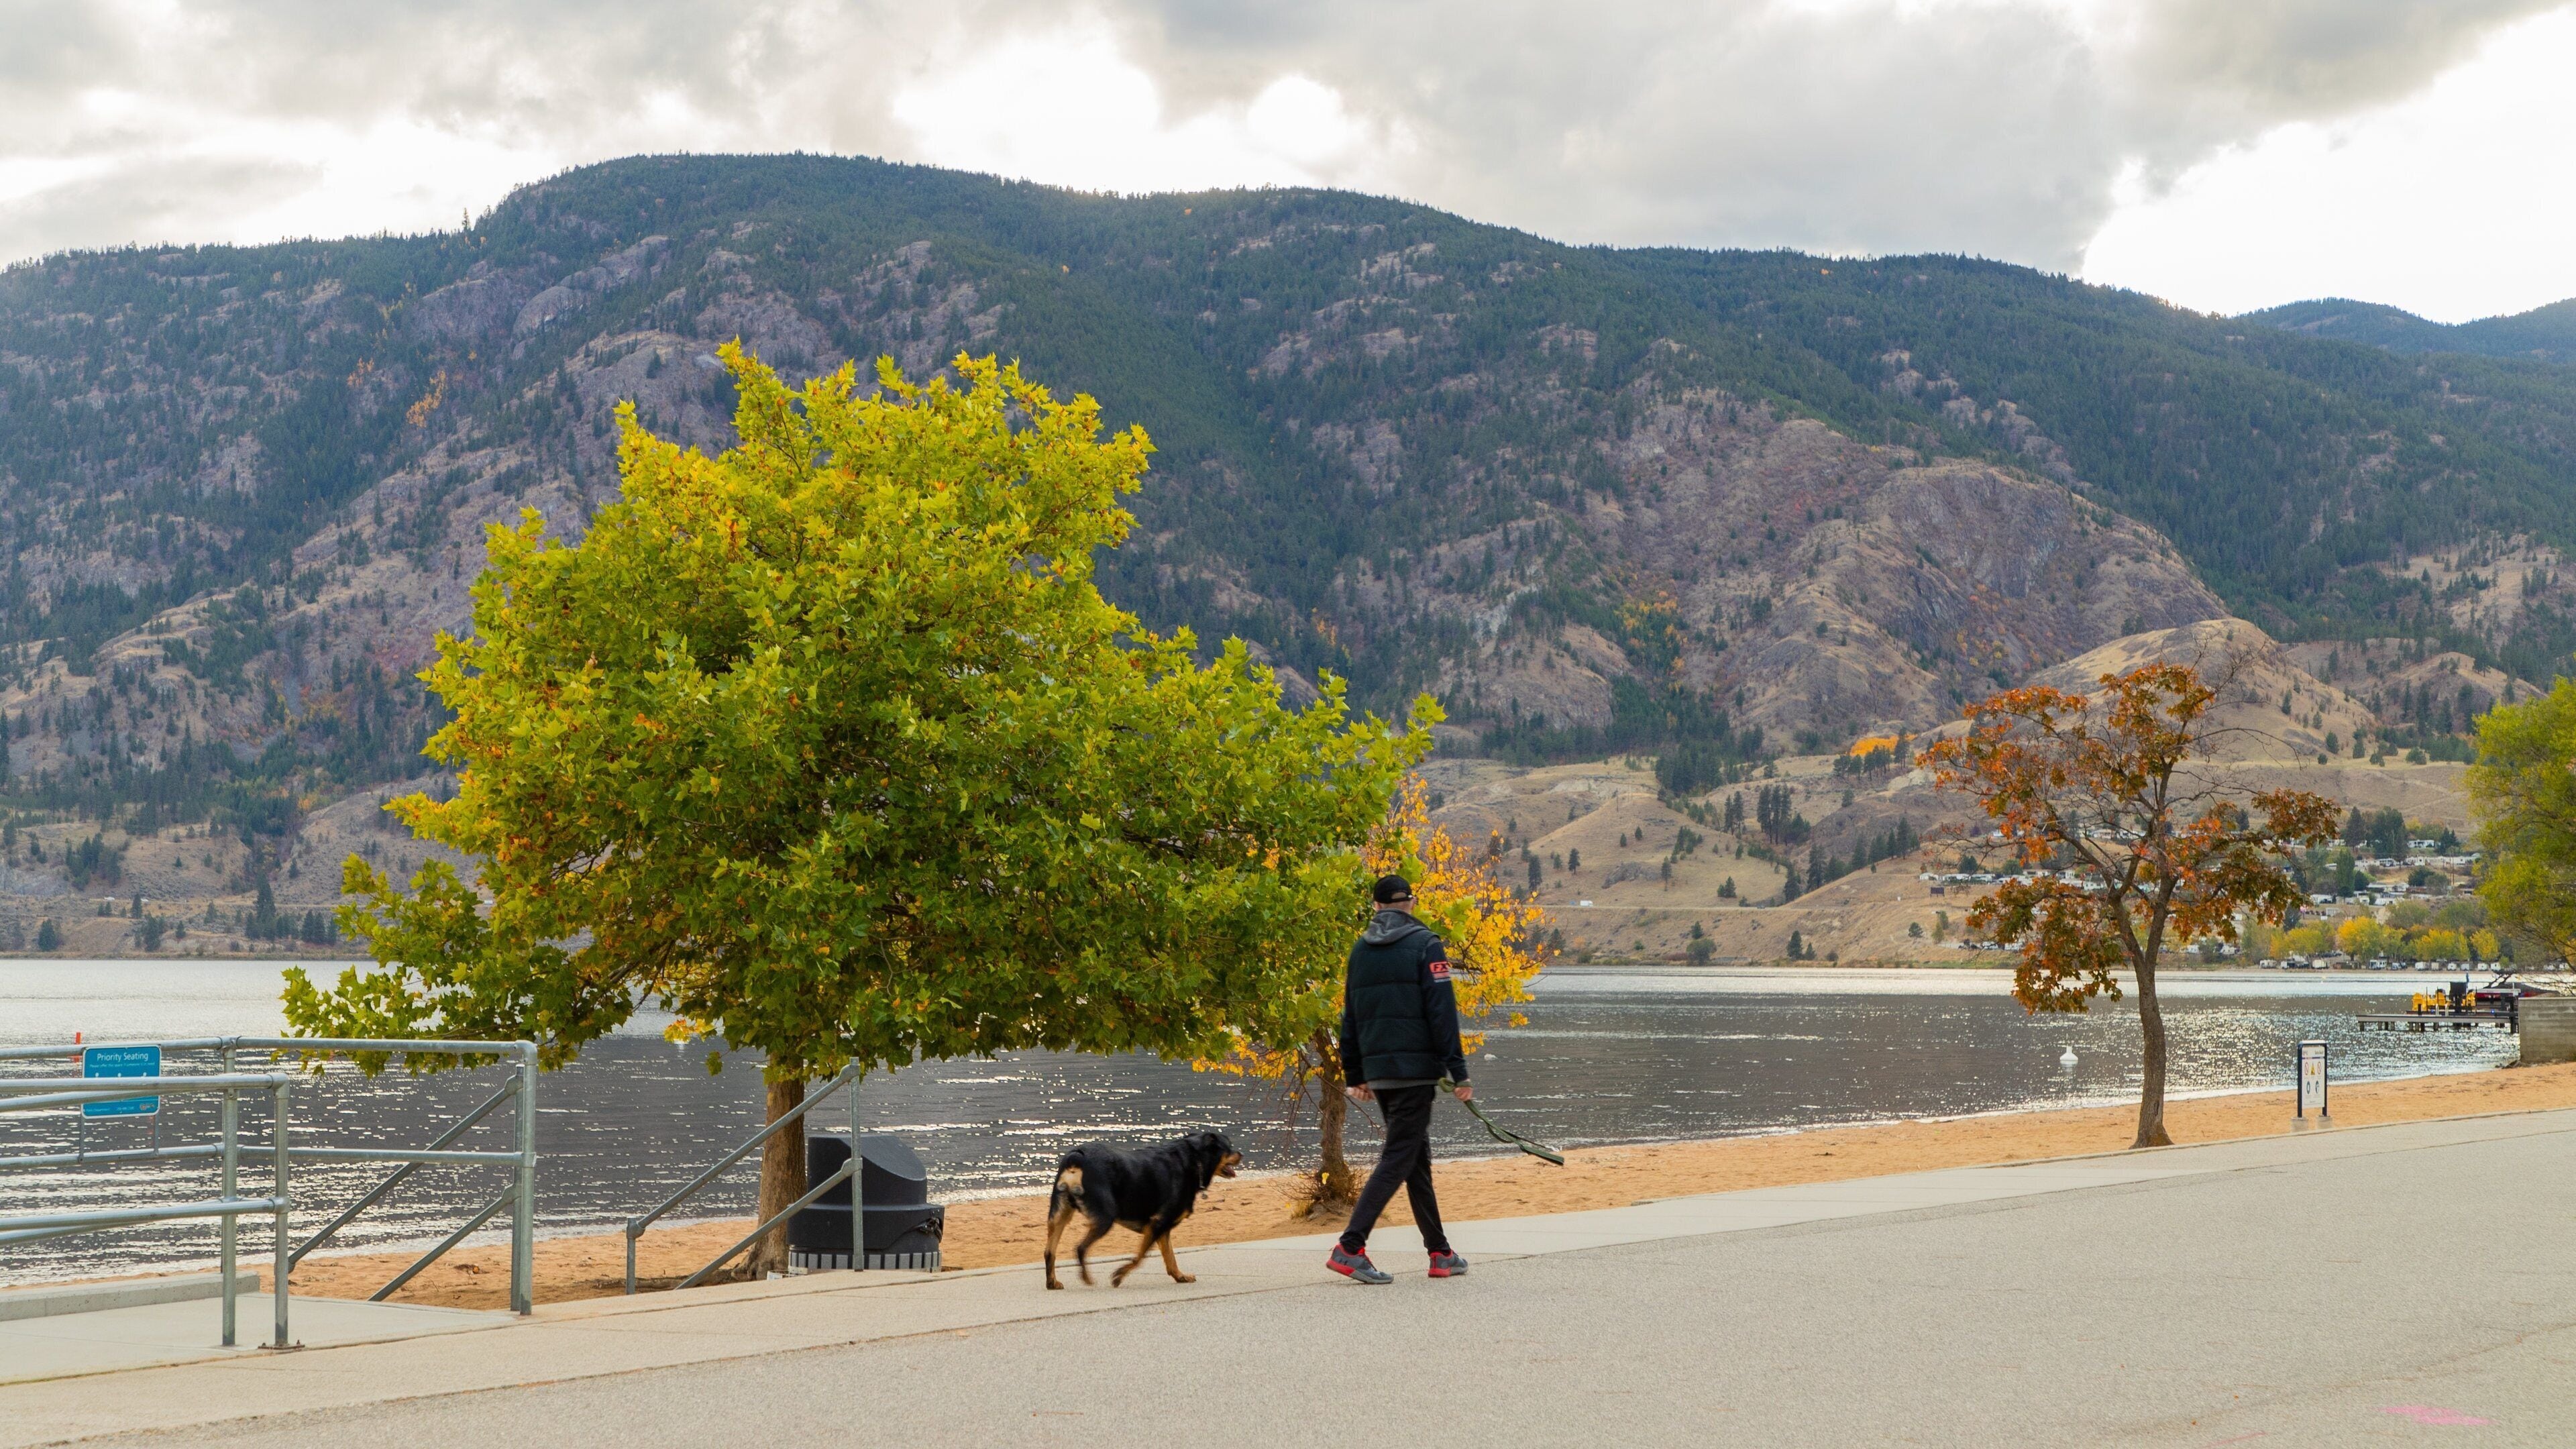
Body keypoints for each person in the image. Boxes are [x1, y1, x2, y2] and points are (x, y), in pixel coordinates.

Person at [1328, 873, 1472, 1284]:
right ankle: (1350, 1247)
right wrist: (1458, 1071)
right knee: (1399, 1156)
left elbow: (1349, 1016)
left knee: (1414, 1158)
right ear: (1410, 903)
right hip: (1415, 1072)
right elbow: (1442, 1012)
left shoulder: (1360, 951)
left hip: (1379, 1070)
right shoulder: (1427, 945)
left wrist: (1355, 1072)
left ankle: (1440, 1252)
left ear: (1375, 907)